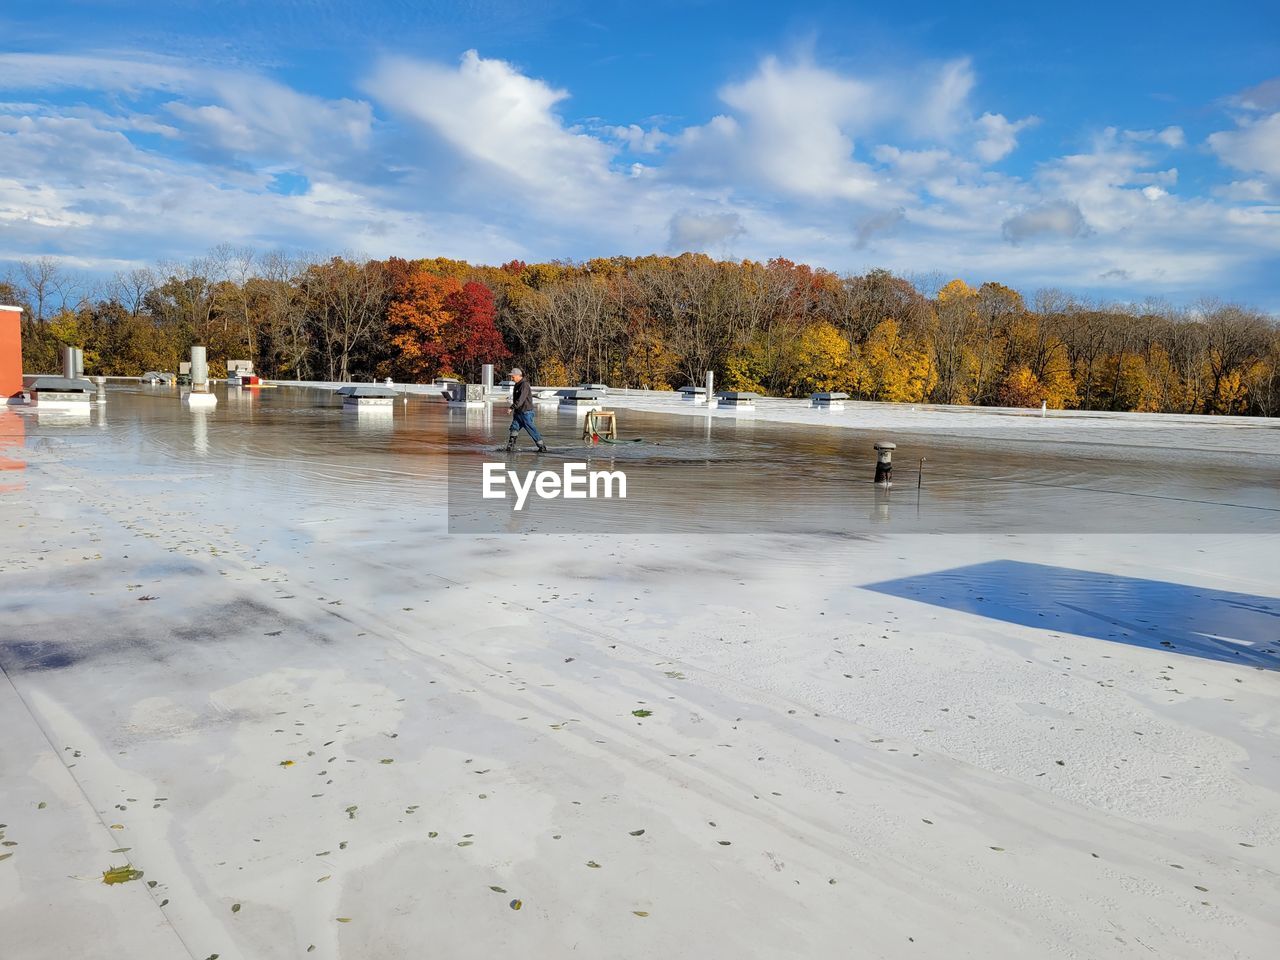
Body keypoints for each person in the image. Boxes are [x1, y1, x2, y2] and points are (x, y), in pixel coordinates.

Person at [505, 368, 547, 452]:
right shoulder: (517, 384)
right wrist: (515, 410)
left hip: (526, 412)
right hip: (518, 412)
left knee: (531, 429)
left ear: (518, 375)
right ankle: (510, 446)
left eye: (512, 377)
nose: (511, 378)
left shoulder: (524, 385)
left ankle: (542, 447)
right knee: (514, 428)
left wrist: (512, 407)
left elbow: (521, 399)